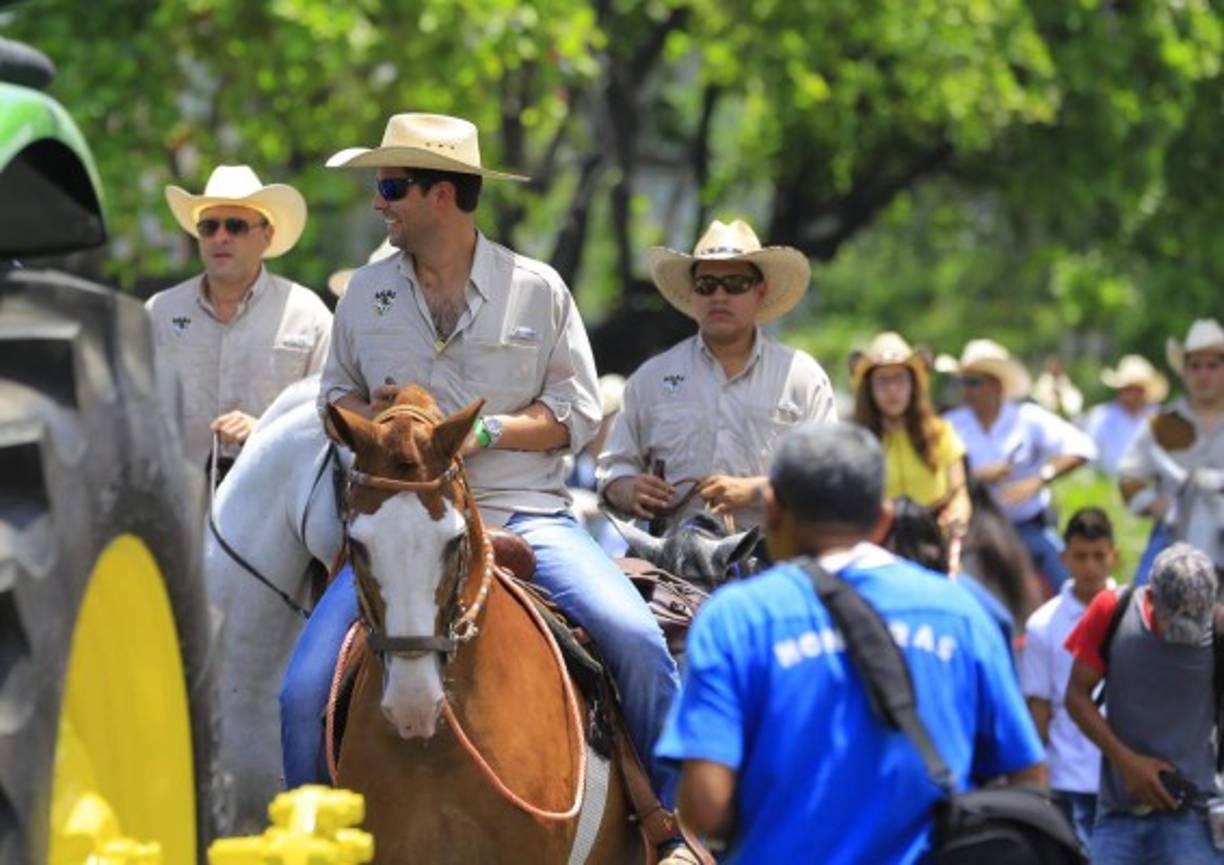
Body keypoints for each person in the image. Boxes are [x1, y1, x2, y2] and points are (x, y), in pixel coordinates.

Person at [293, 112, 692, 863]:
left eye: (392, 186)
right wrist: (379, 425)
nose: (381, 204)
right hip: (400, 530)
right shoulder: (366, 294)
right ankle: (310, 844)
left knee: (637, 641)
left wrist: (485, 432)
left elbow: (575, 412)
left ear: (441, 195)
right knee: (299, 689)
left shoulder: (537, 290)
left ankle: (669, 826)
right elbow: (331, 402)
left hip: (525, 514)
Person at [656, 421, 1046, 863]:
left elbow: (704, 807)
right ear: (883, 520)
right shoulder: (960, 612)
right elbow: (1026, 773)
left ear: (774, 510)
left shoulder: (734, 618)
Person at [597, 218, 835, 534]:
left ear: (760, 292)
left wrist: (756, 492)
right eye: (706, 286)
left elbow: (826, 478)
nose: (719, 296)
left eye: (735, 284)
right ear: (693, 294)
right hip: (670, 561)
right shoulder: (651, 378)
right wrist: (628, 489)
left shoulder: (803, 379)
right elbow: (613, 469)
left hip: (773, 558)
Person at [148, 164, 332, 477]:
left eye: (235, 226)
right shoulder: (159, 313)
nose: (220, 237)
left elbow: (333, 413)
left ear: (268, 236)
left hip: (273, 509)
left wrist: (266, 431)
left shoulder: (308, 316)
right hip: (179, 507)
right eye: (209, 227)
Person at [1065, 543, 1223, 864]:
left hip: (1193, 817)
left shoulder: (1219, 630)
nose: (1187, 633)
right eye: (1176, 622)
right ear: (1152, 597)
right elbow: (1076, 698)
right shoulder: (1113, 611)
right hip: (1120, 815)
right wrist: (1127, 762)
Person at [942, 339, 1097, 593]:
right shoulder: (951, 424)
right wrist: (977, 476)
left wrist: (1038, 479)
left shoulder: (1028, 418)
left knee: (1070, 588)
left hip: (1027, 527)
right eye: (963, 382)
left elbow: (1083, 448)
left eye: (973, 382)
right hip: (974, 531)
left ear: (996, 385)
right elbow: (934, 472)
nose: (966, 390)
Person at [1019, 506, 1118, 849]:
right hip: (1069, 777)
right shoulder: (1043, 625)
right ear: (1063, 557)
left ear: (1113, 557)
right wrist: (1034, 778)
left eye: (1097, 556)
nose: (1090, 567)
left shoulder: (1134, 615)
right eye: (1080, 556)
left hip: (1126, 777)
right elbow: (1040, 707)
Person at [1120, 319, 1224, 582]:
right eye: (1195, 366)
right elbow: (1129, 476)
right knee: (1140, 602)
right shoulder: (1162, 424)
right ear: (1185, 371)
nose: (1204, 374)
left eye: (1213, 365)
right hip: (1173, 536)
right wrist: (1155, 504)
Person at [851, 331, 971, 541]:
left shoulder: (941, 431)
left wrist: (958, 515)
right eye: (882, 381)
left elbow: (959, 492)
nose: (892, 389)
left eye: (900, 379)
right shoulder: (855, 441)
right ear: (869, 390)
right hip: (877, 545)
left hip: (934, 541)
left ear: (913, 385)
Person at [1083, 354, 1167, 477]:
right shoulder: (1100, 416)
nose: (1132, 394)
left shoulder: (1160, 417)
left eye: (1137, 389)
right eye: (1128, 388)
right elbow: (1088, 457)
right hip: (1107, 486)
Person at [1032, 354, 1085, 421]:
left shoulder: (1066, 383)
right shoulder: (1043, 382)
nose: (1054, 367)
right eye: (1052, 364)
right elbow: (1037, 398)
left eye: (1056, 365)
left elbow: (1073, 405)